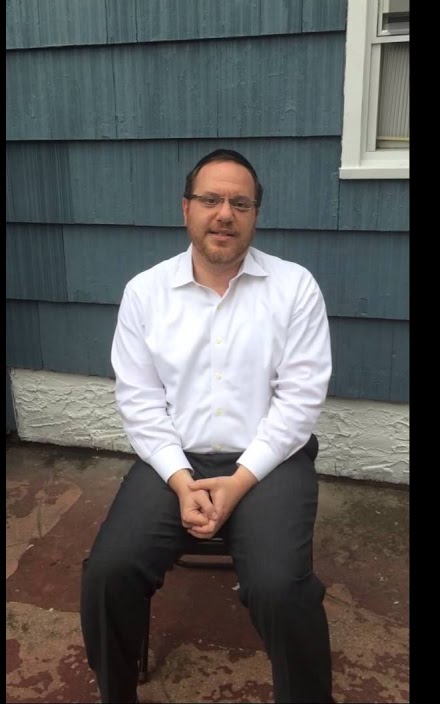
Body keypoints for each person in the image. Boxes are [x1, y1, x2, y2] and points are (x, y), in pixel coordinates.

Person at [80, 149, 334, 703]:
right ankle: (115, 693)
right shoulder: (146, 292)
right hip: (174, 460)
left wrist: (240, 480)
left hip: (269, 461)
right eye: (211, 199)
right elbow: (141, 401)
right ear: (186, 209)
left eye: (240, 203)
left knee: (279, 588)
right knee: (108, 572)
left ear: (255, 215)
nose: (225, 213)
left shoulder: (295, 288)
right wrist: (178, 478)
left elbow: (300, 400)